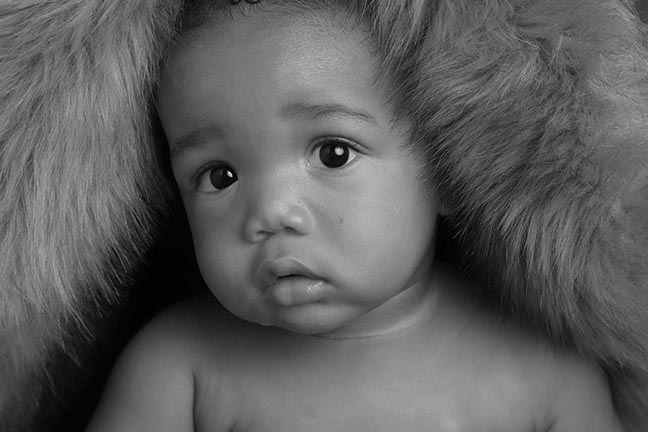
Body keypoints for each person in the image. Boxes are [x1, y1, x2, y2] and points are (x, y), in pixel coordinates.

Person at [86, 1, 626, 430]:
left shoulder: (545, 369)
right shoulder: (180, 368)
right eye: (219, 176)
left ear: (446, 171)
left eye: (333, 153)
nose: (270, 212)